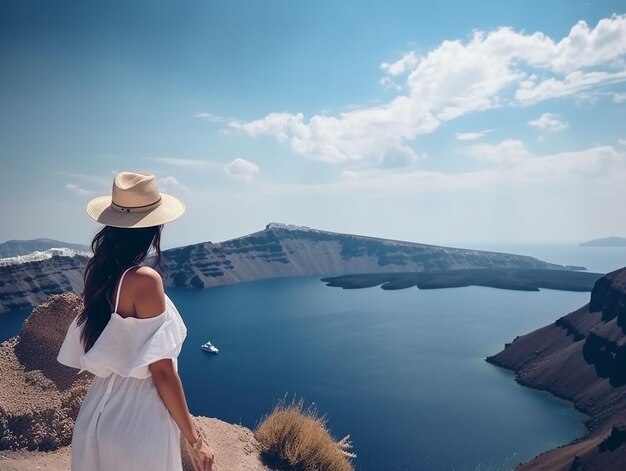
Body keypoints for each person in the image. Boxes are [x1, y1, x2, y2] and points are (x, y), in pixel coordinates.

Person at [57, 171, 215, 471]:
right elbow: (162, 371)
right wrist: (195, 442)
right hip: (137, 421)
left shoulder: (102, 272)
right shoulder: (144, 279)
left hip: (96, 417)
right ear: (156, 225)